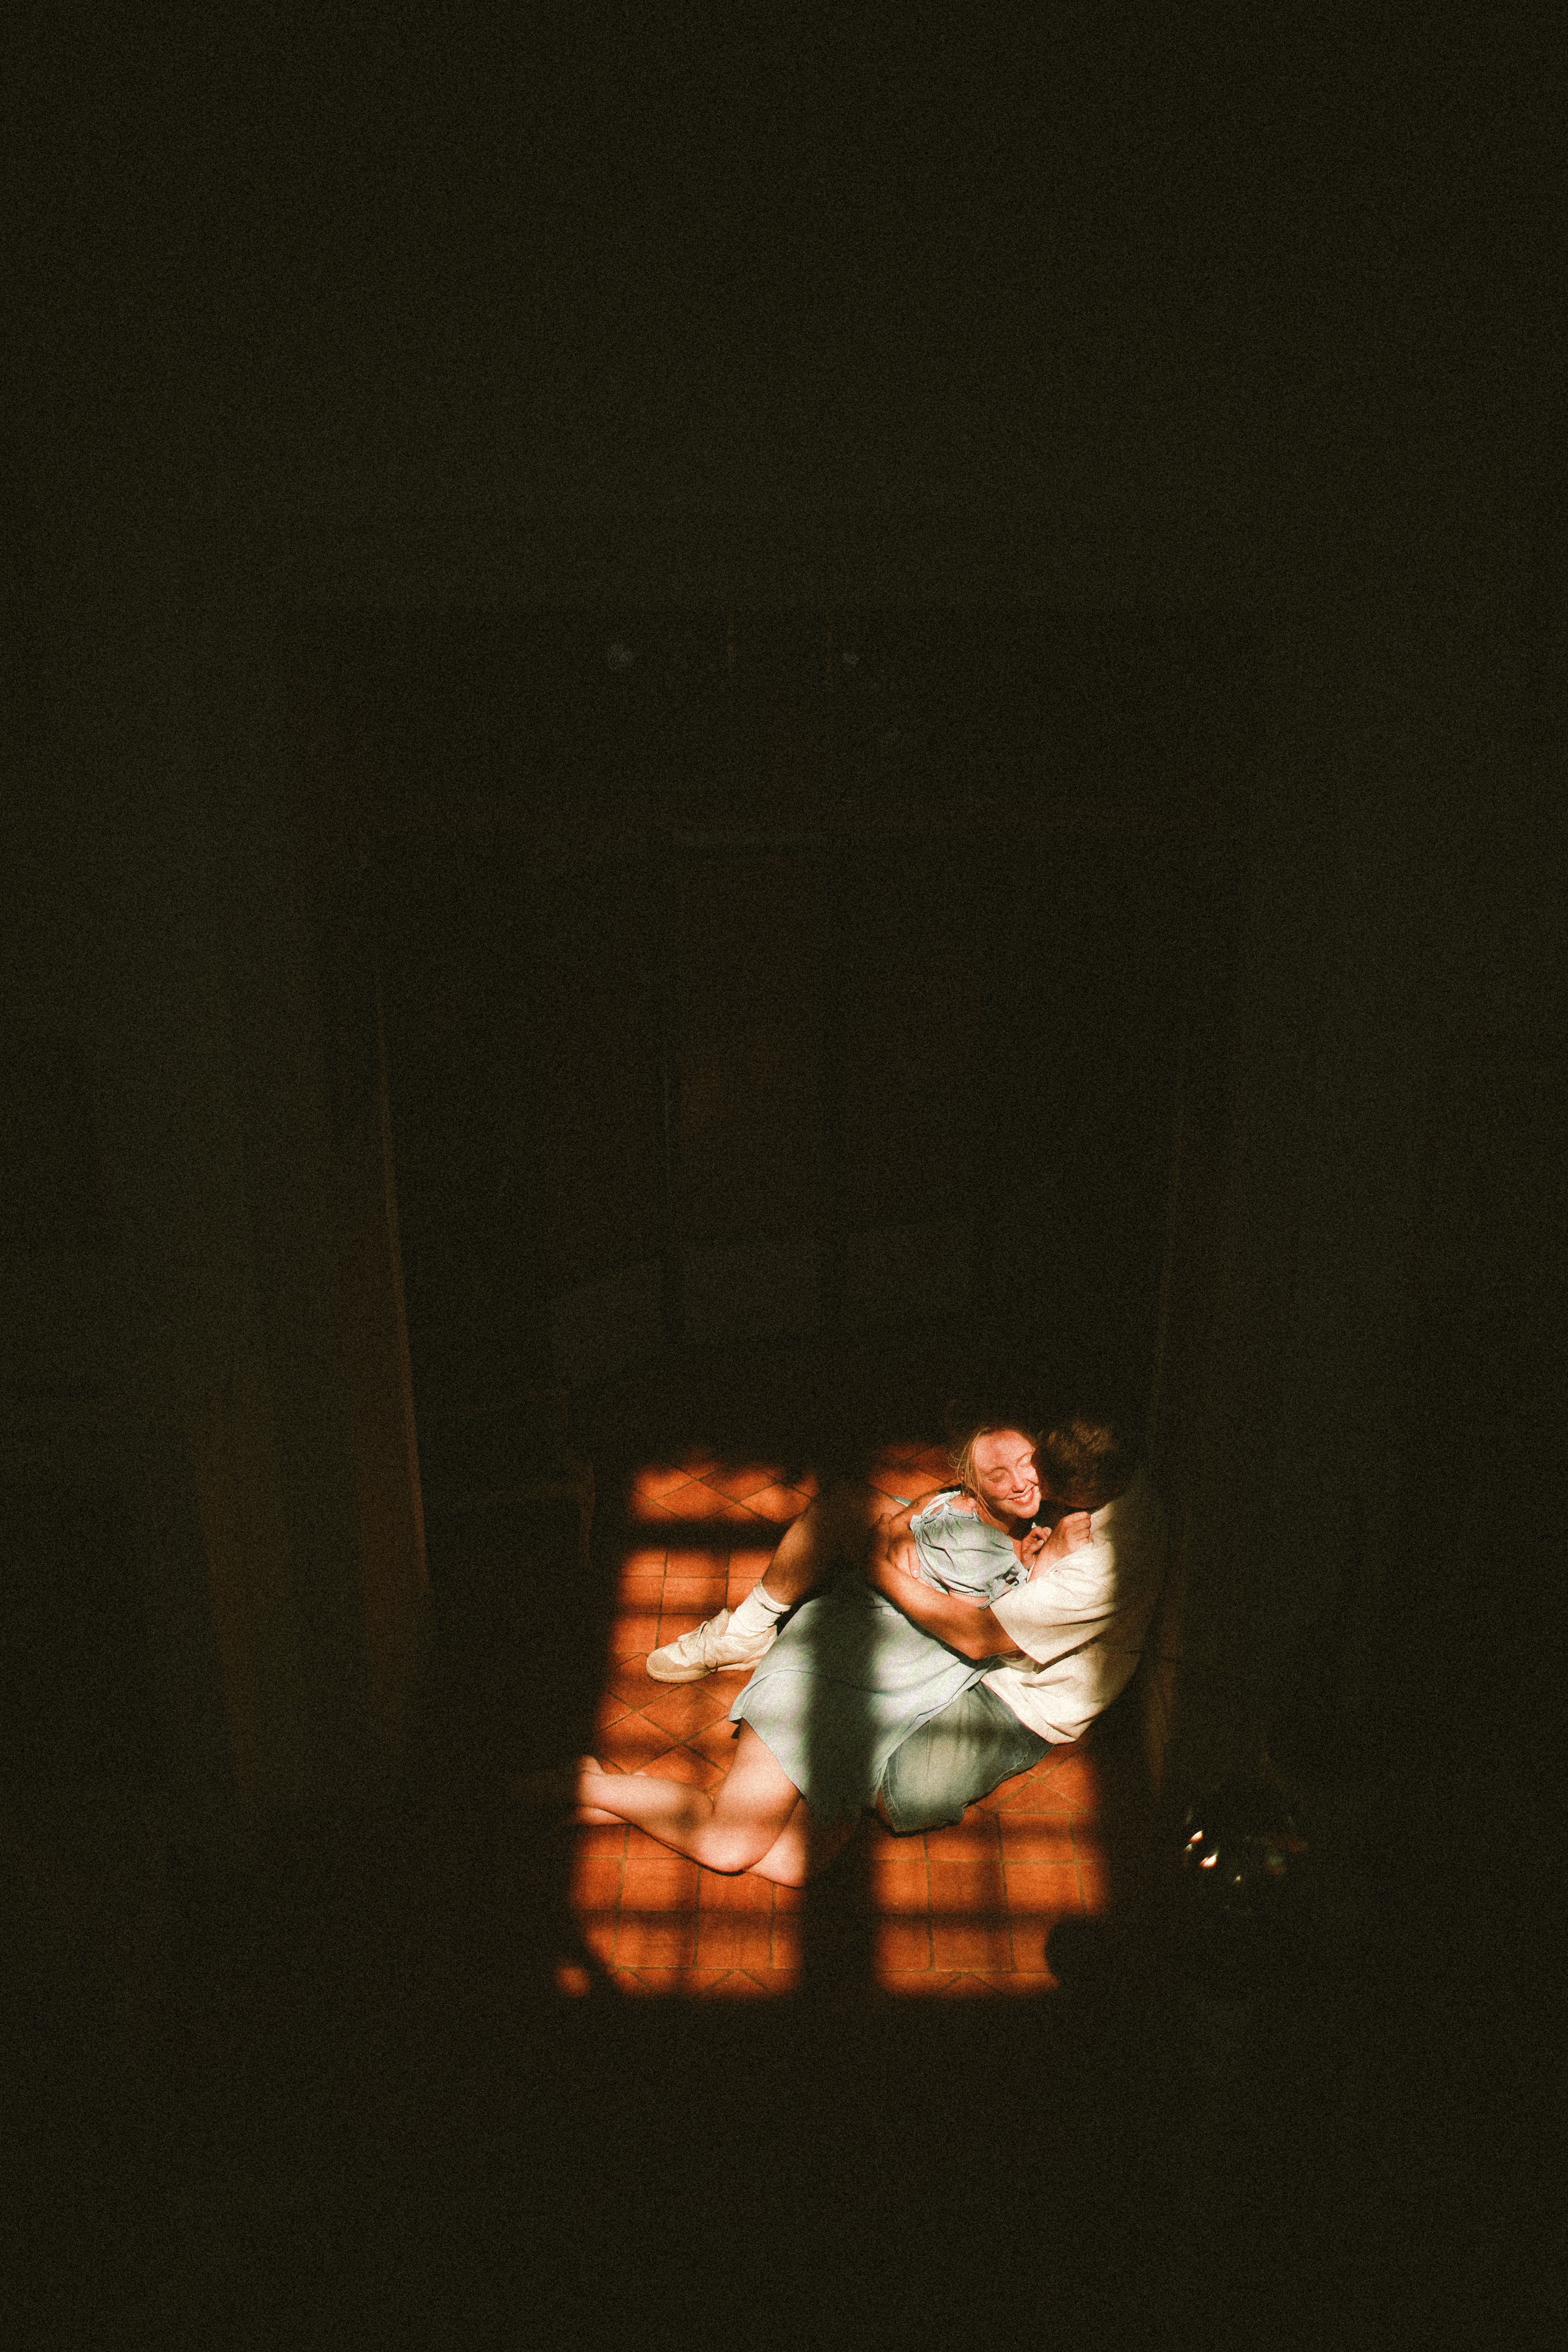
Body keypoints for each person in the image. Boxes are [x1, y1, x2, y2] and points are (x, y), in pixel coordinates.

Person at [547, 1407, 1164, 1882]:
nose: (1023, 1480)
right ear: (969, 1488)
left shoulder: (1037, 1540)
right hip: (828, 1676)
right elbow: (962, 1606)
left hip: (884, 1709)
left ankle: (615, 1803)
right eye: (995, 1475)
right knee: (730, 1848)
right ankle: (584, 1785)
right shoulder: (941, 1521)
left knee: (796, 1865)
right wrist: (889, 1550)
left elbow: (996, 1610)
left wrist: (1038, 1557)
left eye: (1027, 1463)